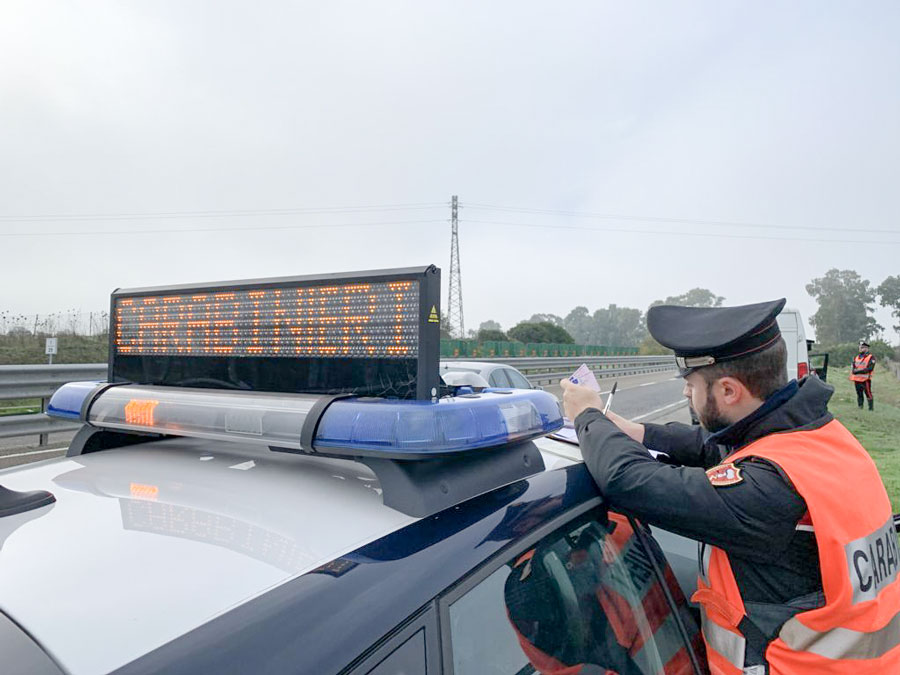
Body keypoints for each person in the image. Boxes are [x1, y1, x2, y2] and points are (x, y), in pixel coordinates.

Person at [560, 299, 900, 674]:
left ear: (728, 391)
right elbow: (716, 446)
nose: (686, 395)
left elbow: (629, 482)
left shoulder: (768, 492)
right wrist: (637, 432)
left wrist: (587, 416)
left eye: (690, 385)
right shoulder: (818, 436)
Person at [850, 340, 875, 411]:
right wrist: (854, 371)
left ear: (867, 348)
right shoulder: (856, 357)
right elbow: (853, 367)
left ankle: (871, 409)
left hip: (865, 380)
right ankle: (860, 408)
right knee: (859, 395)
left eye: (862, 347)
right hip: (856, 379)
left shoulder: (871, 357)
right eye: (860, 347)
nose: (860, 349)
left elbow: (870, 368)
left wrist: (858, 371)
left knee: (868, 394)